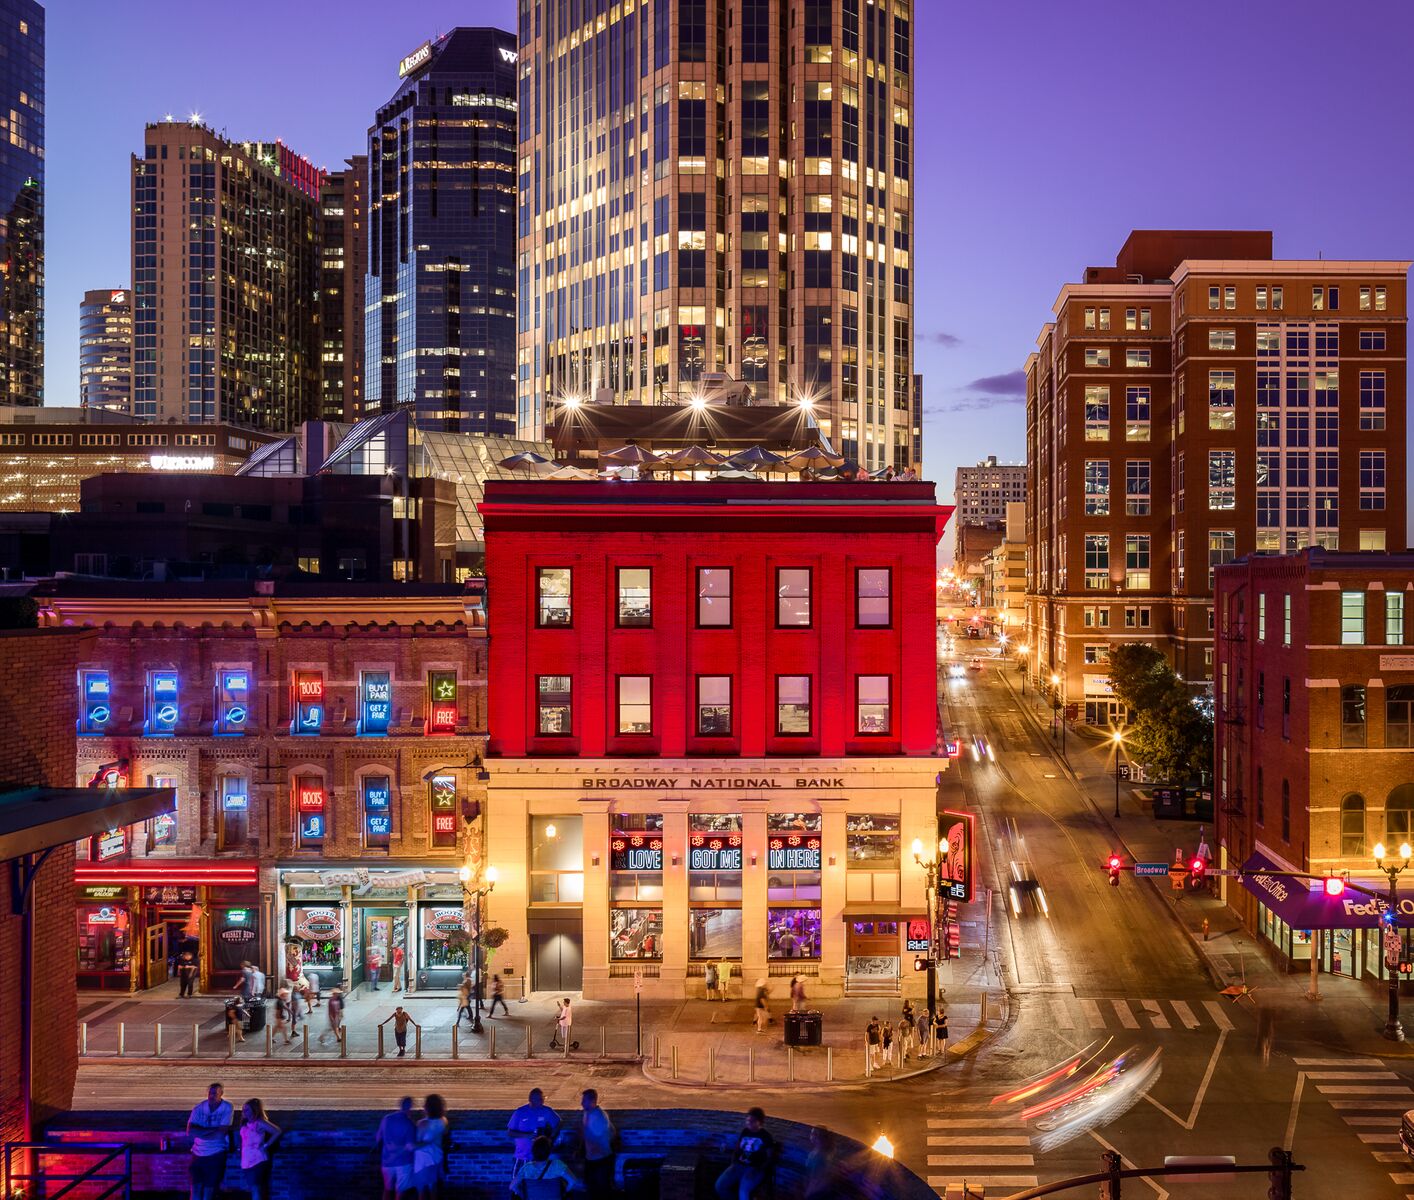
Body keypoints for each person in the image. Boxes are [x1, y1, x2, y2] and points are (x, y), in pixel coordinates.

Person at [186, 1082, 233, 1200]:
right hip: (197, 1153)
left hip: (216, 1153)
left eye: (215, 1093)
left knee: (209, 1189)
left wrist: (201, 1132)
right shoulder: (198, 1108)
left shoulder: (227, 1107)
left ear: (221, 1094)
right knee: (195, 1188)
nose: (211, 1096)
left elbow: (222, 1133)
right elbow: (190, 1131)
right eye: (210, 1093)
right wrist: (214, 1130)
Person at [714, 1108, 775, 1200]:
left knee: (743, 1191)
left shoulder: (765, 1136)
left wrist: (758, 1169)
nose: (749, 1123)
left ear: (760, 1122)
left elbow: (770, 1157)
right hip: (739, 1165)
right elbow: (737, 1149)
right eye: (748, 1120)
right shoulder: (745, 1131)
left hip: (754, 1168)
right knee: (720, 1186)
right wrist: (733, 1163)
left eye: (752, 1121)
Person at [511, 1135, 582, 1198]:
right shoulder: (557, 1165)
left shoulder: (527, 1168)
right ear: (549, 1151)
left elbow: (512, 1186)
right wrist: (564, 1193)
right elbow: (573, 1181)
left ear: (533, 1151)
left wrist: (523, 1195)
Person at [376, 1097, 418, 1200]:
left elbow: (378, 1138)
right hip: (403, 1163)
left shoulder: (386, 1119)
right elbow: (410, 1147)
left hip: (386, 1161)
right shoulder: (409, 1124)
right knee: (401, 1193)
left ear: (400, 1105)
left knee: (387, 1190)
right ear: (410, 1108)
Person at [238, 1098, 280, 1200]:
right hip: (246, 1160)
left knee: (256, 1188)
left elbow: (277, 1131)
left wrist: (266, 1145)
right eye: (243, 1109)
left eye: (247, 1109)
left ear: (254, 1110)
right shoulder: (245, 1124)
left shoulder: (259, 1122)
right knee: (253, 1188)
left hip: (257, 1159)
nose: (244, 1112)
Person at [508, 1089, 561, 1168]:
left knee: (539, 1175)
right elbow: (510, 1132)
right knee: (518, 1175)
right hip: (522, 1155)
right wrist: (528, 1135)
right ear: (531, 1099)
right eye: (539, 1099)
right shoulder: (520, 1112)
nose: (542, 1101)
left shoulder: (546, 1111)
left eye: (542, 1098)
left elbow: (558, 1122)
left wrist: (551, 1138)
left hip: (540, 1157)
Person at [579, 1089, 615, 1200]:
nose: (581, 1103)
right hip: (592, 1159)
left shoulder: (599, 1118)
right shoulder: (588, 1113)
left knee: (600, 1192)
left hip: (600, 1161)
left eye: (584, 1101)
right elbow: (612, 1131)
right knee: (593, 1190)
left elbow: (598, 1139)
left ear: (592, 1101)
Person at [412, 1094, 449, 1200]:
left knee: (421, 1191)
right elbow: (444, 1133)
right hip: (437, 1157)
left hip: (423, 1160)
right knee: (433, 1188)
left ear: (428, 1107)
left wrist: (408, 1146)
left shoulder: (422, 1123)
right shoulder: (444, 1121)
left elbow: (418, 1142)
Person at [803, 1127, 835, 1200]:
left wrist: (808, 1192)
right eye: (811, 1133)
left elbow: (816, 1178)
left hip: (816, 1190)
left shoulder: (821, 1156)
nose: (811, 1136)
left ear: (820, 1137)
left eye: (814, 1133)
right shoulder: (815, 1151)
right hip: (814, 1188)